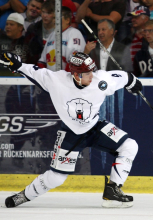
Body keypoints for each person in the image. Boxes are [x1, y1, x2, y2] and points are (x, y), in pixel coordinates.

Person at [0, 51, 142, 208]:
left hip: (95, 128)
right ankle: (23, 195)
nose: (91, 76)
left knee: (129, 145)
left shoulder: (101, 80)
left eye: (92, 71)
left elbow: (124, 76)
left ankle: (113, 191)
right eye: (86, 73)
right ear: (75, 74)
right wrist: (17, 65)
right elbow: (32, 71)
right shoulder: (56, 80)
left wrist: (133, 82)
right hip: (70, 133)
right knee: (56, 178)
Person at [84, 19, 132, 123]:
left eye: (103, 29)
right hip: (95, 93)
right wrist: (85, 53)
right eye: (99, 30)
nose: (100, 32)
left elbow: (127, 73)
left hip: (115, 92)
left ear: (112, 31)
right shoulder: (92, 48)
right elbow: (82, 69)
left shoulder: (123, 49)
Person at [37, 6, 86, 71]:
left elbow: (75, 62)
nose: (54, 20)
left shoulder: (74, 33)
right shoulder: (52, 35)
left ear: (67, 20)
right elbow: (42, 62)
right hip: (50, 78)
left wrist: (63, 78)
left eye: (57, 18)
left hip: (67, 79)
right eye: (54, 18)